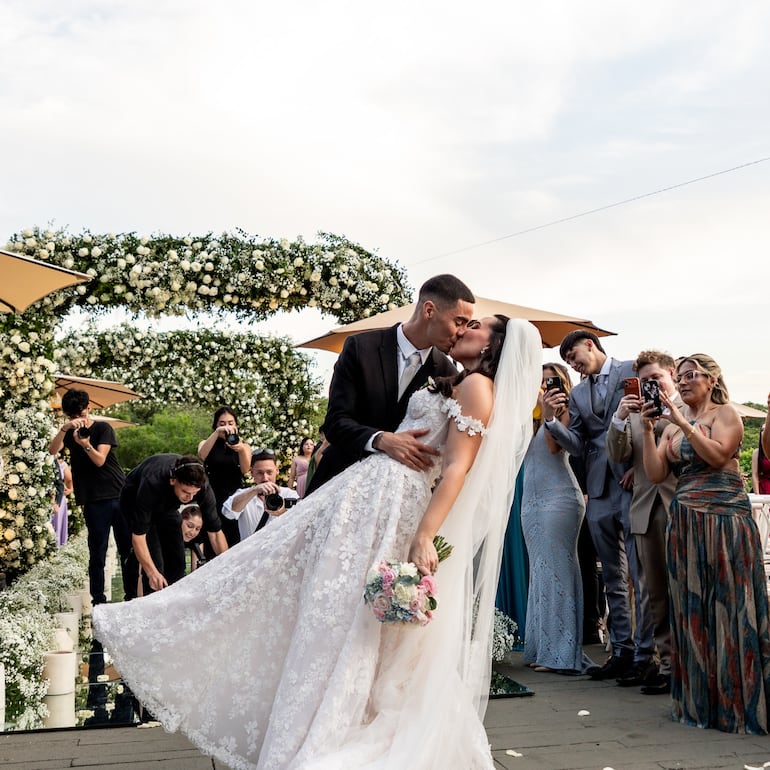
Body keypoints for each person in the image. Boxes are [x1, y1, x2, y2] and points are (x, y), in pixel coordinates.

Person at [93, 317, 542, 770]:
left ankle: (332, 724)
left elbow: (458, 470)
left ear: (496, 344)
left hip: (391, 504)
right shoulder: (455, 377)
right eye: (464, 319)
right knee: (284, 574)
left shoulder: (478, 387)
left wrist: (425, 534)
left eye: (479, 325)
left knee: (340, 611)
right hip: (366, 495)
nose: (467, 326)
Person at [642, 353, 770, 733]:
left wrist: (682, 420)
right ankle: (701, 703)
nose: (681, 381)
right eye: (679, 376)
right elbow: (655, 474)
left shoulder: (725, 414)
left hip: (725, 521)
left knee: (732, 607)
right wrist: (649, 430)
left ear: (711, 380)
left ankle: (737, 703)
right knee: (693, 608)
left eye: (690, 375)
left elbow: (718, 455)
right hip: (685, 522)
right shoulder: (669, 428)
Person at [542, 330, 654, 682]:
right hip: (599, 487)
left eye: (574, 355)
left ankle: (647, 653)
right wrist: (551, 422)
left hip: (635, 481)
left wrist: (642, 462)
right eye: (570, 362)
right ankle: (621, 650)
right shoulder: (577, 393)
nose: (573, 365)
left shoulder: (630, 370)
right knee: (612, 575)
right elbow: (577, 443)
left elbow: (649, 417)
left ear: (590, 344)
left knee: (641, 573)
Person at [304, 273, 474, 495]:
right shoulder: (360, 347)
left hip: (394, 498)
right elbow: (335, 423)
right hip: (336, 483)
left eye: (467, 325)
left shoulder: (447, 372)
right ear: (429, 310)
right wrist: (381, 440)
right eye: (458, 322)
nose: (463, 332)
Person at [606, 350, 682, 694]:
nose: (651, 385)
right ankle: (665, 665)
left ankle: (690, 662)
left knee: (685, 587)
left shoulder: (690, 407)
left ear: (672, 374)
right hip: (644, 508)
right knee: (653, 592)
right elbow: (618, 455)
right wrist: (620, 418)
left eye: (656, 378)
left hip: (681, 506)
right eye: (645, 380)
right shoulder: (635, 413)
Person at [522, 363, 593, 674]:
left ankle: (562, 653)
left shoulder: (563, 413)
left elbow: (554, 449)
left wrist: (548, 413)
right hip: (530, 502)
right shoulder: (528, 417)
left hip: (559, 499)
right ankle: (544, 647)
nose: (541, 387)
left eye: (546, 381)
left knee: (557, 571)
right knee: (540, 572)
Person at [47, 389, 133, 604]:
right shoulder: (68, 432)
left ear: (88, 409)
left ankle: (131, 595)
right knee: (97, 553)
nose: (78, 420)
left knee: (127, 549)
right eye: (72, 417)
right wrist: (64, 429)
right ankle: (98, 600)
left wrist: (85, 444)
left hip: (118, 495)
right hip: (93, 500)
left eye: (80, 414)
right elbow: (51, 451)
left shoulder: (103, 428)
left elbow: (100, 460)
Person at [121, 454, 228, 594]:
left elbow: (215, 532)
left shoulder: (203, 488)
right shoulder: (152, 482)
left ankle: (174, 602)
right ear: (173, 480)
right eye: (185, 492)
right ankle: (148, 602)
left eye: (194, 494)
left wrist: (229, 566)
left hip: (168, 507)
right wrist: (152, 573)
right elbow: (139, 537)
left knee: (177, 562)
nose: (190, 498)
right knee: (155, 567)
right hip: (135, 501)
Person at [198, 406, 252, 547]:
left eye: (230, 423)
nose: (226, 427)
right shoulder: (206, 442)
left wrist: (240, 450)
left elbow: (246, 470)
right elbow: (202, 455)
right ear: (215, 425)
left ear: (236, 425)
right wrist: (217, 433)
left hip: (233, 496)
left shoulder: (244, 446)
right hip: (212, 495)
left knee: (233, 535)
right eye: (222, 423)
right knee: (211, 534)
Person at [221, 449, 299, 541]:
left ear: (277, 470)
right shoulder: (243, 494)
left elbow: (303, 518)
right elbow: (227, 513)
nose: (265, 478)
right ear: (251, 473)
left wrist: (283, 512)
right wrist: (254, 490)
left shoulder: (288, 494)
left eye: (269, 472)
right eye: (260, 473)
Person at [51, 454, 73, 547]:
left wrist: (70, 489)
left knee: (57, 524)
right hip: (49, 496)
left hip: (59, 498)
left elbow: (69, 480)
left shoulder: (62, 464)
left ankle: (57, 546)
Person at [752, 426, 770, 494]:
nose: (764, 431)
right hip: (763, 488)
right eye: (762, 430)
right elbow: (755, 475)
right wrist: (757, 496)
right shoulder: (757, 452)